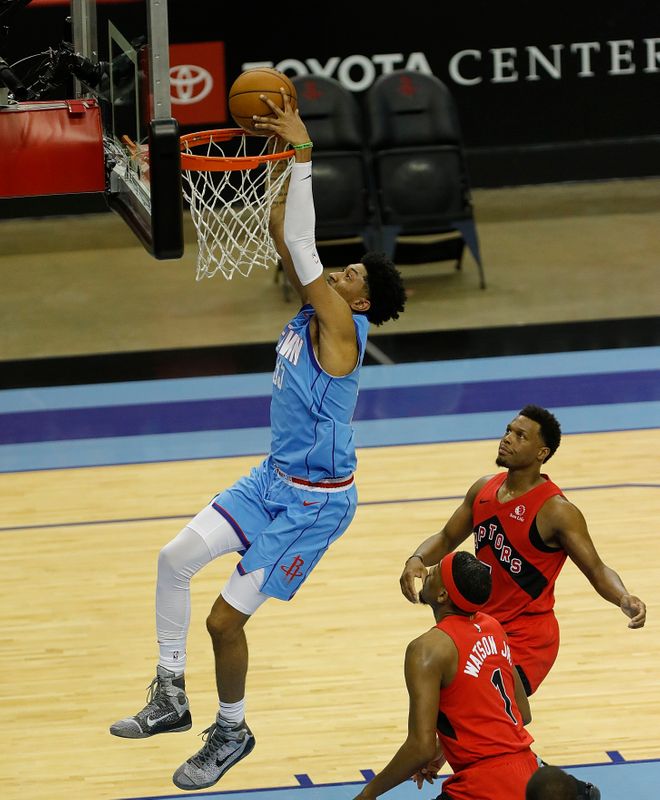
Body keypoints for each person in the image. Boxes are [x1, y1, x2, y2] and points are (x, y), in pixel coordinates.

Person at [109, 90, 406, 792]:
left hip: (317, 505)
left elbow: (301, 244)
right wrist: (275, 160)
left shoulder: (342, 330)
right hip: (273, 478)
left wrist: (303, 150)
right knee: (174, 558)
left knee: (224, 622)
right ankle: (170, 697)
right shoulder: (315, 310)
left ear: (361, 304)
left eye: (351, 276)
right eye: (342, 269)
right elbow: (282, 227)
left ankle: (233, 729)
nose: (336, 274)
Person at [400, 404, 642, 798]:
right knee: (465, 709)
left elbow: (597, 569)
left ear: (542, 452)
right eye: (509, 430)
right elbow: (445, 539)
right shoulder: (484, 488)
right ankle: (554, 786)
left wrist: (624, 598)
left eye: (521, 435)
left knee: (496, 718)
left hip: (528, 637)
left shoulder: (557, 511)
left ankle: (569, 792)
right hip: (479, 623)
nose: (508, 438)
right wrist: (415, 560)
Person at [354, 550, 540, 800]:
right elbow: (522, 714)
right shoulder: (493, 627)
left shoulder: (427, 649)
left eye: (435, 571)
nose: (428, 572)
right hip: (529, 776)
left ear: (443, 595)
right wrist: (447, 747)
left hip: (483, 787)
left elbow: (420, 747)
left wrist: (368, 793)